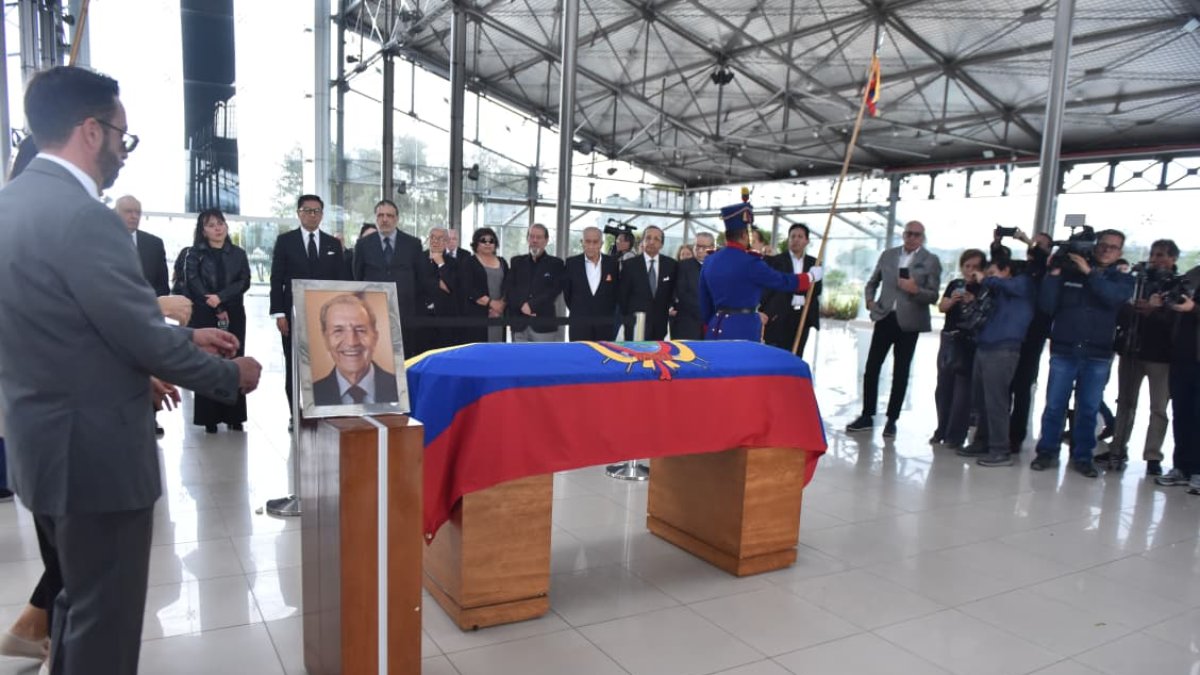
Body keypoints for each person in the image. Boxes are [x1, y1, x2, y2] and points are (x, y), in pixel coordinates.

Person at [0, 65, 261, 675]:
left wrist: (187, 331)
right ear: (91, 131)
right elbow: (137, 341)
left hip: (43, 445)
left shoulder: (11, 205)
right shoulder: (87, 215)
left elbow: (77, 320)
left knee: (74, 601)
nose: (123, 148)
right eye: (123, 134)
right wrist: (230, 377)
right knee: (106, 619)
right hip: (96, 454)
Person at [1031, 228, 1135, 477]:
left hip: (1098, 353)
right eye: (1103, 245)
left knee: (1088, 408)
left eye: (1113, 247)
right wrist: (1054, 274)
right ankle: (1047, 452)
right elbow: (1047, 305)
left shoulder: (1121, 278)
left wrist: (1090, 274)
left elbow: (1112, 298)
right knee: (1055, 405)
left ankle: (1083, 456)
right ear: (1094, 245)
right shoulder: (1069, 271)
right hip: (1065, 349)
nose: (1107, 250)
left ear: (1120, 252)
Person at [845, 221, 942, 438]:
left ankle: (892, 420)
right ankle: (867, 415)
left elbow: (934, 295)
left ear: (922, 237)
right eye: (909, 234)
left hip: (910, 322)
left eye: (917, 235)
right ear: (903, 234)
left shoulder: (930, 261)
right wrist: (869, 300)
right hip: (886, 316)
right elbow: (872, 281)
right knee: (872, 367)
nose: (912, 238)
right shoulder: (888, 255)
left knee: (901, 371)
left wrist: (915, 289)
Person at [1098, 239, 1178, 474]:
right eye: (1153, 254)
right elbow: (1122, 312)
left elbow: (1177, 321)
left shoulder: (1177, 285)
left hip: (1162, 356)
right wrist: (1135, 308)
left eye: (1161, 255)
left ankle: (1153, 457)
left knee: (1159, 408)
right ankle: (1117, 449)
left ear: (1172, 259)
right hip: (1132, 350)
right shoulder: (1139, 281)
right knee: (1125, 403)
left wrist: (1155, 310)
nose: (1156, 259)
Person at [269, 195, 348, 425]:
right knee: (294, 365)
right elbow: (276, 279)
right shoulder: (285, 241)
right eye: (307, 210)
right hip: (293, 314)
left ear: (322, 215)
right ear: (299, 213)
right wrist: (279, 313)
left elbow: (341, 281)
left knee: (324, 363)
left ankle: (322, 410)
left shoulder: (333, 244)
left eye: (317, 211)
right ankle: (296, 413)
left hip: (325, 317)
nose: (312, 215)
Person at [700, 201, 820, 342]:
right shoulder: (751, 262)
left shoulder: (710, 260)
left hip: (715, 327)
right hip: (743, 329)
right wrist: (809, 277)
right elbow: (781, 281)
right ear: (745, 235)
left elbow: (704, 300)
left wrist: (708, 325)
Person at [956, 255, 1035, 466]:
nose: (988, 278)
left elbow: (1010, 287)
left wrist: (987, 280)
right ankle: (982, 440)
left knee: (996, 401)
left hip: (1004, 349)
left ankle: (1000, 449)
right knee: (981, 399)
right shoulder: (996, 292)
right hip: (984, 346)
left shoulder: (1022, 284)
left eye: (992, 273)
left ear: (1007, 270)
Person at [184, 209, 252, 433]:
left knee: (234, 357)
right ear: (203, 230)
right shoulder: (194, 254)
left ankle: (235, 416)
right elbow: (193, 282)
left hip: (233, 313)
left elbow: (244, 281)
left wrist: (221, 298)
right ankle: (209, 417)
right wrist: (214, 303)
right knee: (209, 361)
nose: (217, 228)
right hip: (205, 314)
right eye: (211, 225)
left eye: (220, 223)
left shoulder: (238, 253)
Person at [353, 199, 437, 358]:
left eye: (389, 216)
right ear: (375, 218)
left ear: (397, 219)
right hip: (373, 310)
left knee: (404, 355)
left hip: (405, 312)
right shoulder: (363, 245)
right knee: (376, 355)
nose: (385, 219)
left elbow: (420, 277)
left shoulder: (412, 243)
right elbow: (357, 275)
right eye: (381, 215)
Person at [931, 249, 986, 450]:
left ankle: (955, 435)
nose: (970, 271)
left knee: (963, 392)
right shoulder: (956, 284)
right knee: (943, 387)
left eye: (975, 267)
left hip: (970, 341)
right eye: (967, 266)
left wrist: (972, 301)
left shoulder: (985, 288)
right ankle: (941, 429)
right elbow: (941, 307)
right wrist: (953, 299)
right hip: (950, 338)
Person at [1155, 264, 1200, 493]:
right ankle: (1181, 467)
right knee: (1181, 414)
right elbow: (1176, 307)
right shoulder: (1193, 274)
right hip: (1182, 356)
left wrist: (1194, 309)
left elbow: (1191, 308)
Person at [311, 294, 399, 405]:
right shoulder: (312, 395)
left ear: (375, 337)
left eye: (360, 330)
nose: (352, 342)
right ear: (326, 340)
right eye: (338, 331)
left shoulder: (400, 387)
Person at [761, 223, 822, 357]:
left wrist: (813, 280)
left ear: (807, 241)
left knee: (797, 352)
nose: (796, 239)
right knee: (778, 353)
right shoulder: (776, 261)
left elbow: (817, 291)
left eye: (800, 236)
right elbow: (770, 288)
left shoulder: (814, 263)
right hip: (780, 315)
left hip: (802, 316)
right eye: (792, 236)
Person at [507, 223, 564, 342]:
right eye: (532, 236)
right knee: (519, 359)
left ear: (546, 240)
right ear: (527, 239)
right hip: (519, 324)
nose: (535, 240)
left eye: (539, 237)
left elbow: (554, 291)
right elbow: (510, 288)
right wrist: (522, 305)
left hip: (543, 326)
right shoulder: (516, 262)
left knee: (543, 360)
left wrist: (531, 306)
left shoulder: (556, 264)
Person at [619, 225, 676, 340]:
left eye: (656, 239)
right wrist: (627, 319)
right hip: (635, 324)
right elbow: (622, 296)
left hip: (659, 325)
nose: (651, 242)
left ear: (661, 244)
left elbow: (672, 292)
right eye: (648, 238)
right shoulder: (629, 265)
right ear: (642, 241)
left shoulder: (671, 265)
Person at [563, 226, 620, 341]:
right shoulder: (571, 264)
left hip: (605, 326)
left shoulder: (612, 264)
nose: (591, 246)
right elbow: (567, 294)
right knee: (578, 357)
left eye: (595, 242)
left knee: (603, 357)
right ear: (582, 242)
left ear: (601, 243)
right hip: (579, 325)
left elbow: (615, 293)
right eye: (587, 241)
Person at [460, 227, 509, 343]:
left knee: (498, 350)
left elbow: (509, 285)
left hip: (499, 314)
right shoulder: (469, 262)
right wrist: (491, 303)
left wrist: (501, 305)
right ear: (476, 243)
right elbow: (468, 287)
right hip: (477, 314)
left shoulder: (503, 262)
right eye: (483, 240)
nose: (488, 243)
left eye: (491, 241)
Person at [115, 195, 169, 297]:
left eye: (138, 212)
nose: (134, 216)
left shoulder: (154, 244)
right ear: (115, 214)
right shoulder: (103, 241)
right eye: (128, 211)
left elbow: (163, 287)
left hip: (147, 308)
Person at [422, 227, 462, 349]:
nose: (435, 241)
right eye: (432, 237)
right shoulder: (418, 259)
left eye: (440, 238)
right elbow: (418, 283)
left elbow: (452, 287)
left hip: (445, 318)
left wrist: (441, 263)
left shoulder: (454, 262)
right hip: (421, 317)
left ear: (446, 242)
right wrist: (438, 282)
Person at [671, 233, 712, 340]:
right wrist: (704, 310)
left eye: (704, 247)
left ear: (712, 247)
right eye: (697, 246)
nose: (700, 250)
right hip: (688, 324)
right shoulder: (683, 266)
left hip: (712, 324)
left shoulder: (718, 266)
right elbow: (682, 293)